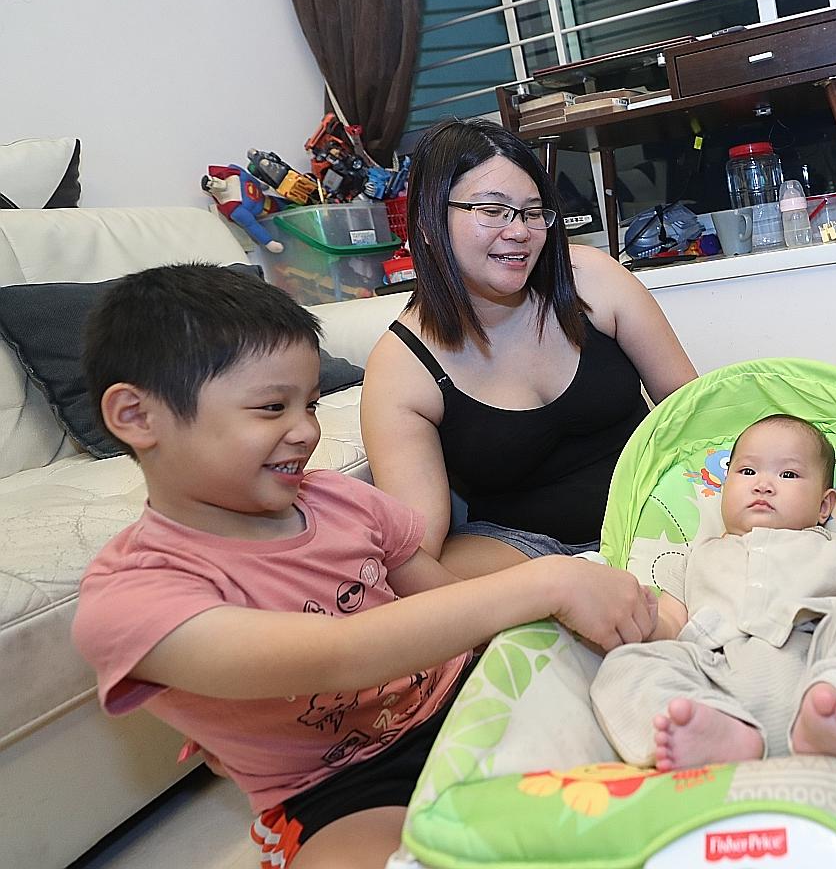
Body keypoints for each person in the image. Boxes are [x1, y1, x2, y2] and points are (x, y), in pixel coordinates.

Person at [72, 264, 657, 869]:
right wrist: (548, 579)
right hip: (342, 790)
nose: (306, 432)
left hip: (469, 701)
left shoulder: (344, 502)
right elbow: (336, 654)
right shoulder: (130, 600)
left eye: (312, 404)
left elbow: (449, 609)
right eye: (272, 408)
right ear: (137, 417)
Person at [362, 118, 697, 578]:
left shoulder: (592, 280)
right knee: (426, 585)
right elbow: (417, 544)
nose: (519, 231)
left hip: (654, 504)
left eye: (532, 211)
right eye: (492, 210)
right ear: (425, 222)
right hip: (524, 549)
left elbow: (693, 411)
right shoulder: (402, 367)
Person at [591, 415, 836, 770]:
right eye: (747, 472)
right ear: (724, 489)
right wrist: (643, 619)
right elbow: (670, 625)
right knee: (623, 664)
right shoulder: (693, 556)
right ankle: (717, 734)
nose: (764, 485)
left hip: (821, 661)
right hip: (714, 677)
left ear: (824, 506)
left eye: (788, 475)